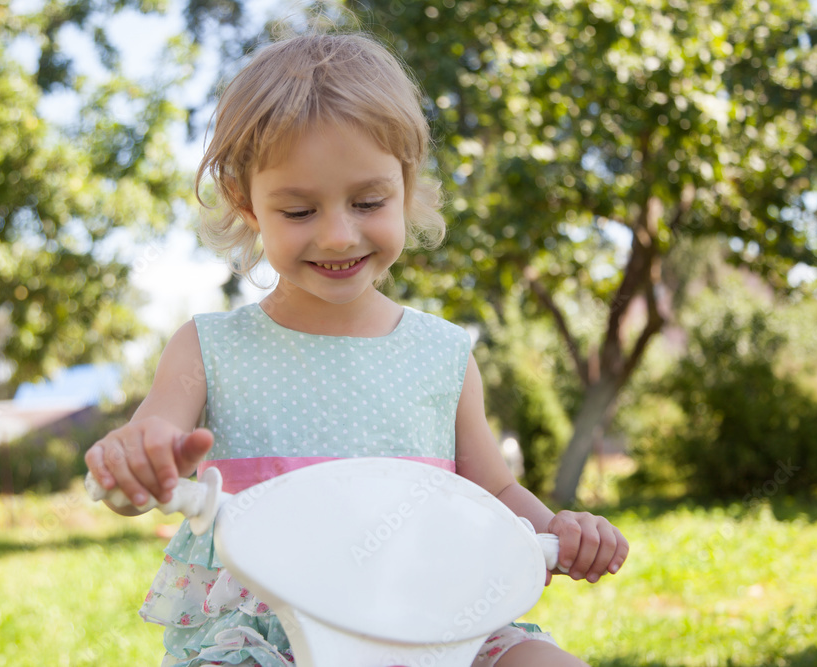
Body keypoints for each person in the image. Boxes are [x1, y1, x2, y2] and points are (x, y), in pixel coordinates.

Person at [85, 30, 628, 667]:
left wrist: (559, 532)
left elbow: (497, 494)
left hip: (434, 622)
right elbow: (143, 467)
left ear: (405, 184)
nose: (339, 235)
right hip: (268, 636)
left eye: (368, 201)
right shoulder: (209, 349)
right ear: (247, 203)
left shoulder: (442, 353)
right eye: (298, 211)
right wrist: (132, 467)